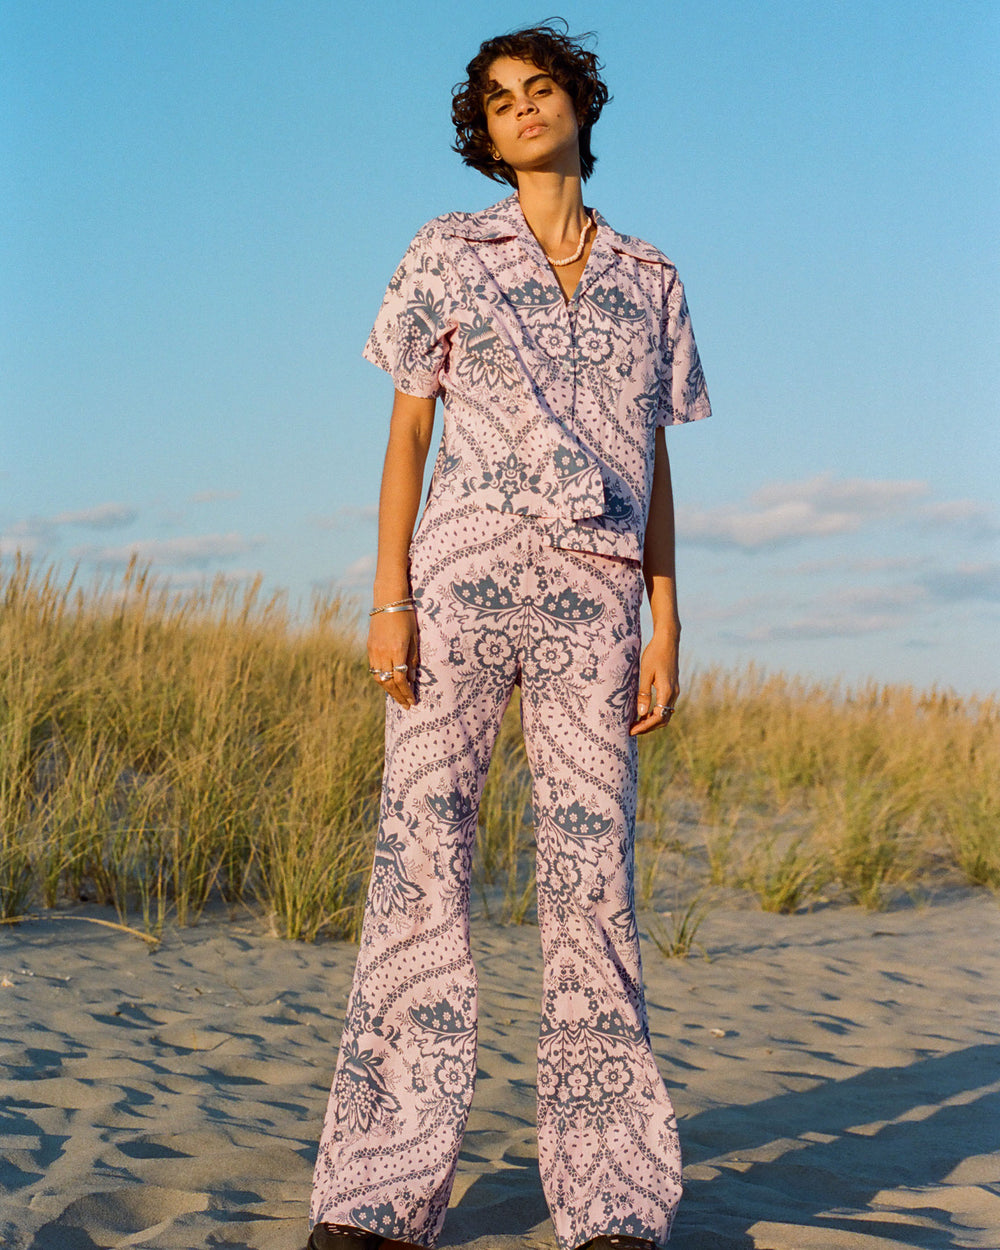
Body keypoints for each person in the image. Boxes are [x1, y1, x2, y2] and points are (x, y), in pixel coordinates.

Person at [308, 21, 710, 1250]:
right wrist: (389, 597)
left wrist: (666, 617)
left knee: (594, 890)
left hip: (595, 599)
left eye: (540, 89)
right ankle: (379, 1193)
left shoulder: (652, 276)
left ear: (580, 106)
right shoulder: (445, 250)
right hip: (459, 588)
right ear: (480, 134)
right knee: (419, 865)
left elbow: (651, 457)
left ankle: (613, 1200)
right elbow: (406, 438)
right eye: (497, 100)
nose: (521, 109)